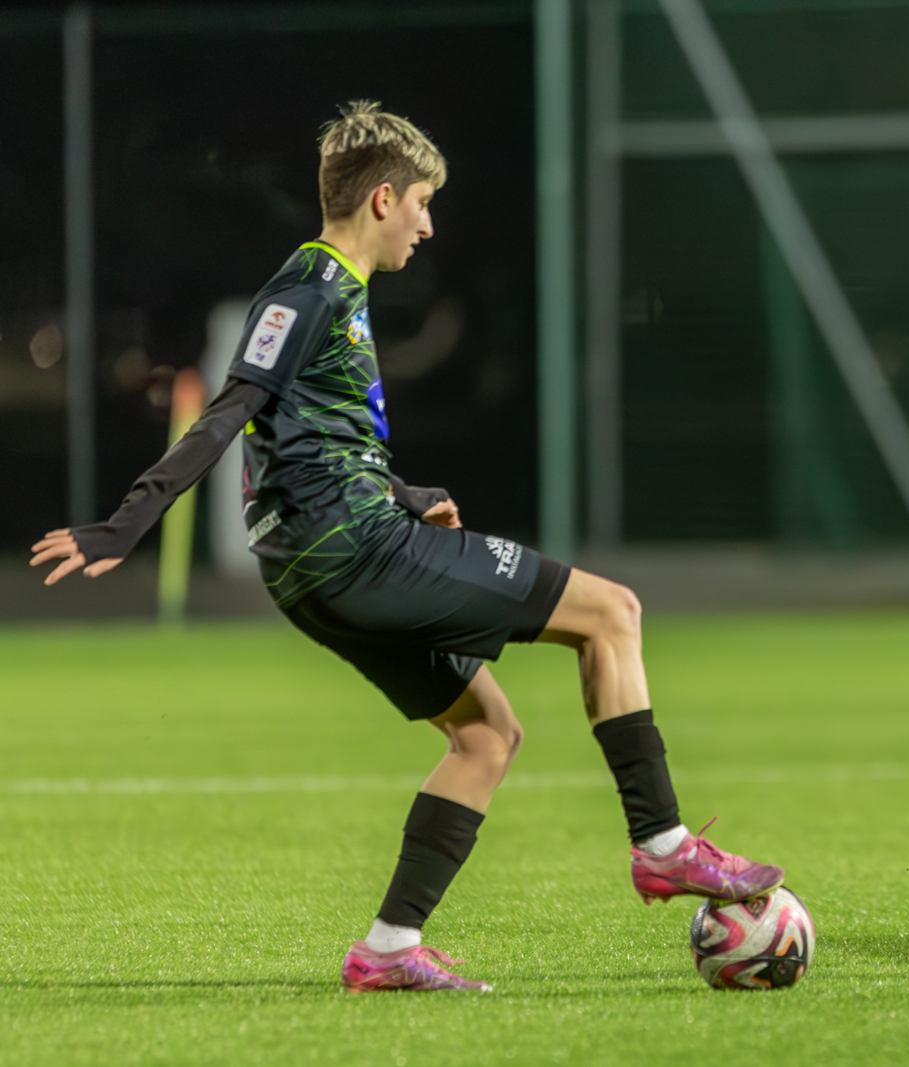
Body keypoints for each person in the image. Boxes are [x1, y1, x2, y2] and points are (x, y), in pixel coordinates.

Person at [30, 102, 783, 993]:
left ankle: (388, 947)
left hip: (321, 564)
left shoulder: (330, 290)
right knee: (612, 613)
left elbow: (309, 438)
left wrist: (407, 493)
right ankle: (664, 846)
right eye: (422, 203)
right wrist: (127, 520)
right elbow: (230, 408)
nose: (428, 225)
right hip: (354, 555)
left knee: (487, 736)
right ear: (383, 199)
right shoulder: (309, 289)